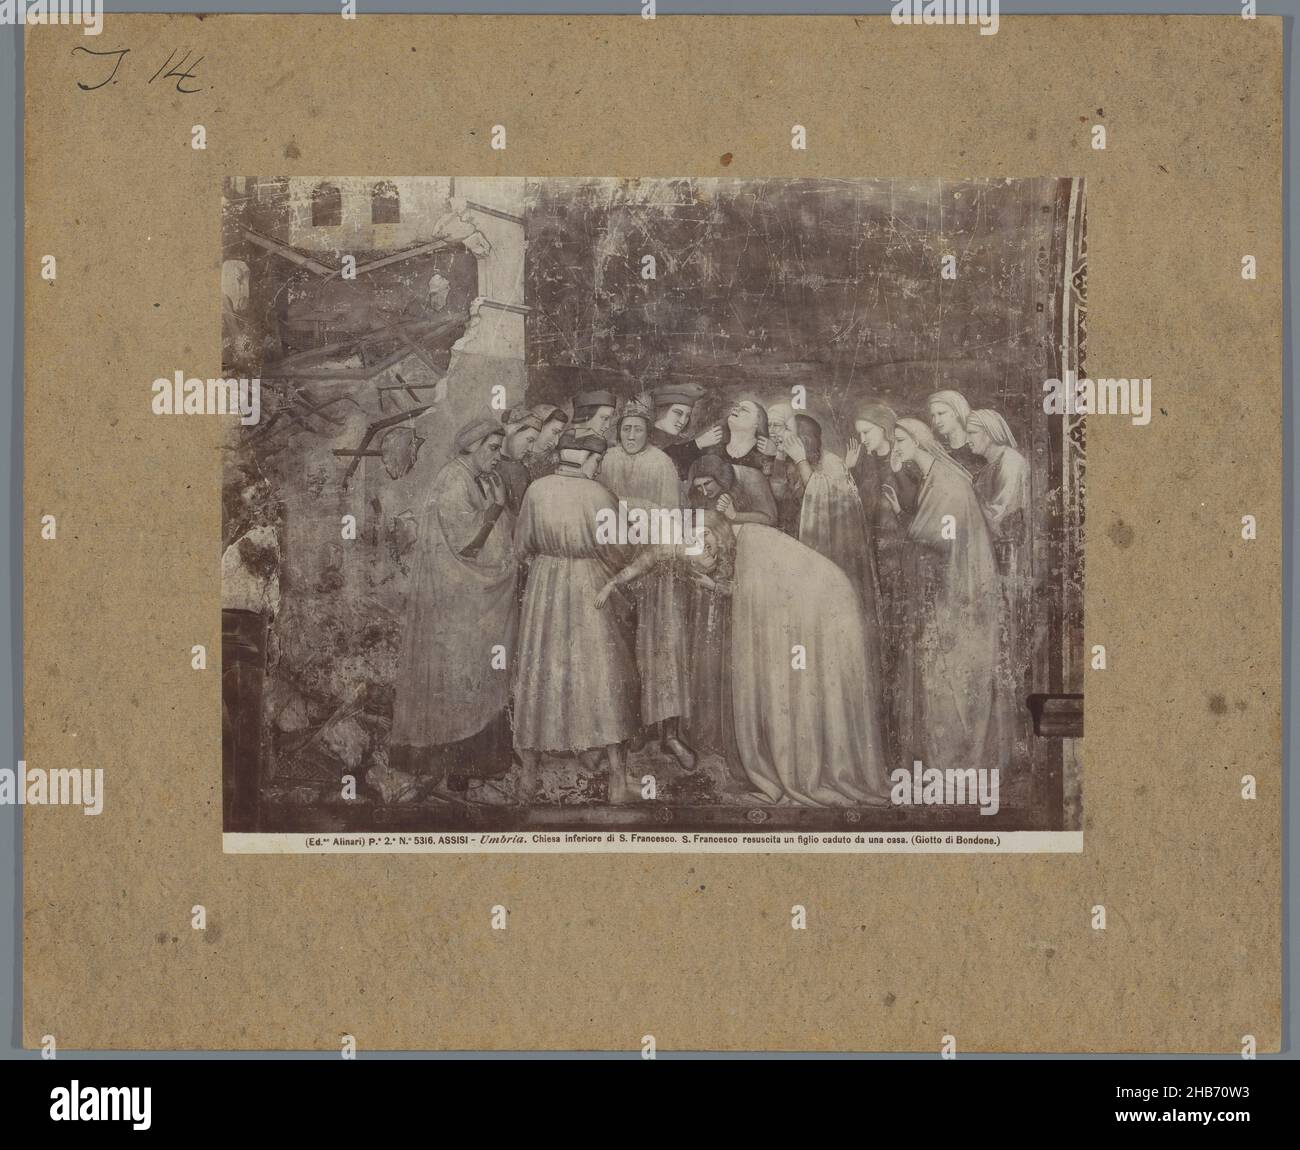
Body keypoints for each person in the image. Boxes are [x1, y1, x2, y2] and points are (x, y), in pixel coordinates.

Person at [596, 514, 892, 807]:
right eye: (703, 555)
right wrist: (614, 582)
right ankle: (805, 766)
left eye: (707, 541)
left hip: (824, 603)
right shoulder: (725, 541)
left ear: (711, 532)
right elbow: (657, 555)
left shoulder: (751, 542)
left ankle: (808, 770)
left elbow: (764, 592)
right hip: (816, 604)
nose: (707, 547)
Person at [390, 416, 518, 797]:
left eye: (499, 448)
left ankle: (473, 764)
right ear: (472, 446)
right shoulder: (453, 480)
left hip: (467, 599)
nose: (497, 456)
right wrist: (494, 511)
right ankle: (451, 767)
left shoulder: (475, 477)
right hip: (452, 602)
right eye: (492, 448)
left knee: (474, 676)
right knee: (457, 676)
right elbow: (467, 546)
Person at [512, 429, 640, 802]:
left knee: (542, 670)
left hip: (545, 583)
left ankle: (529, 776)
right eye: (596, 461)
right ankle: (617, 778)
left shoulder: (536, 491)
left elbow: (522, 546)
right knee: (602, 670)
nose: (598, 468)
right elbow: (620, 552)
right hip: (588, 581)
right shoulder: (598, 494)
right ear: (587, 459)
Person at [885, 418, 1002, 777]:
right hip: (947, 588)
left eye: (901, 440)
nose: (896, 447)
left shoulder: (947, 482)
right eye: (893, 442)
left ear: (919, 440)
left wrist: (901, 521)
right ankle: (940, 761)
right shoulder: (933, 477)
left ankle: (953, 762)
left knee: (947, 671)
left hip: (957, 591)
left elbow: (936, 535)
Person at [599, 397, 695, 769]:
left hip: (657, 569)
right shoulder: (608, 460)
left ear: (647, 431)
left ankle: (669, 733)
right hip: (618, 562)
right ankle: (632, 729)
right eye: (626, 429)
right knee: (624, 650)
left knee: (663, 649)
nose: (632, 435)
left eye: (639, 429)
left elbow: (672, 519)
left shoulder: (661, 463)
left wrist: (639, 512)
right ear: (618, 431)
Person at [966, 408, 1030, 577]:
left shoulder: (1011, 462)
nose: (967, 440)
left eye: (972, 433)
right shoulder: (986, 469)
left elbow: (1000, 515)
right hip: (989, 550)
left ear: (989, 433)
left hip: (1007, 554)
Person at [707, 398, 777, 526]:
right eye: (736, 407)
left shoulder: (766, 456)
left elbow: (770, 516)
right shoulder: (713, 452)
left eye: (744, 410)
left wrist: (777, 454)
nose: (735, 409)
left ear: (757, 423)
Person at [650, 381, 725, 478]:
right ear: (661, 411)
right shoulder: (645, 438)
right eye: (678, 413)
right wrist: (698, 443)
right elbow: (661, 461)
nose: (682, 421)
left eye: (687, 416)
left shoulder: (681, 440)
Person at [496, 405, 542, 516]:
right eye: (529, 440)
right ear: (511, 431)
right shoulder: (488, 466)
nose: (530, 448)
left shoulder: (523, 470)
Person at [927, 389, 981, 477]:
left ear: (956, 412)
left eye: (941, 413)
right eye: (933, 415)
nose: (936, 421)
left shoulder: (977, 448)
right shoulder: (939, 450)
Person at [525, 403, 568, 481]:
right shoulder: (518, 456)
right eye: (555, 432)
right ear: (538, 427)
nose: (556, 441)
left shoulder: (554, 458)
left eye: (559, 434)